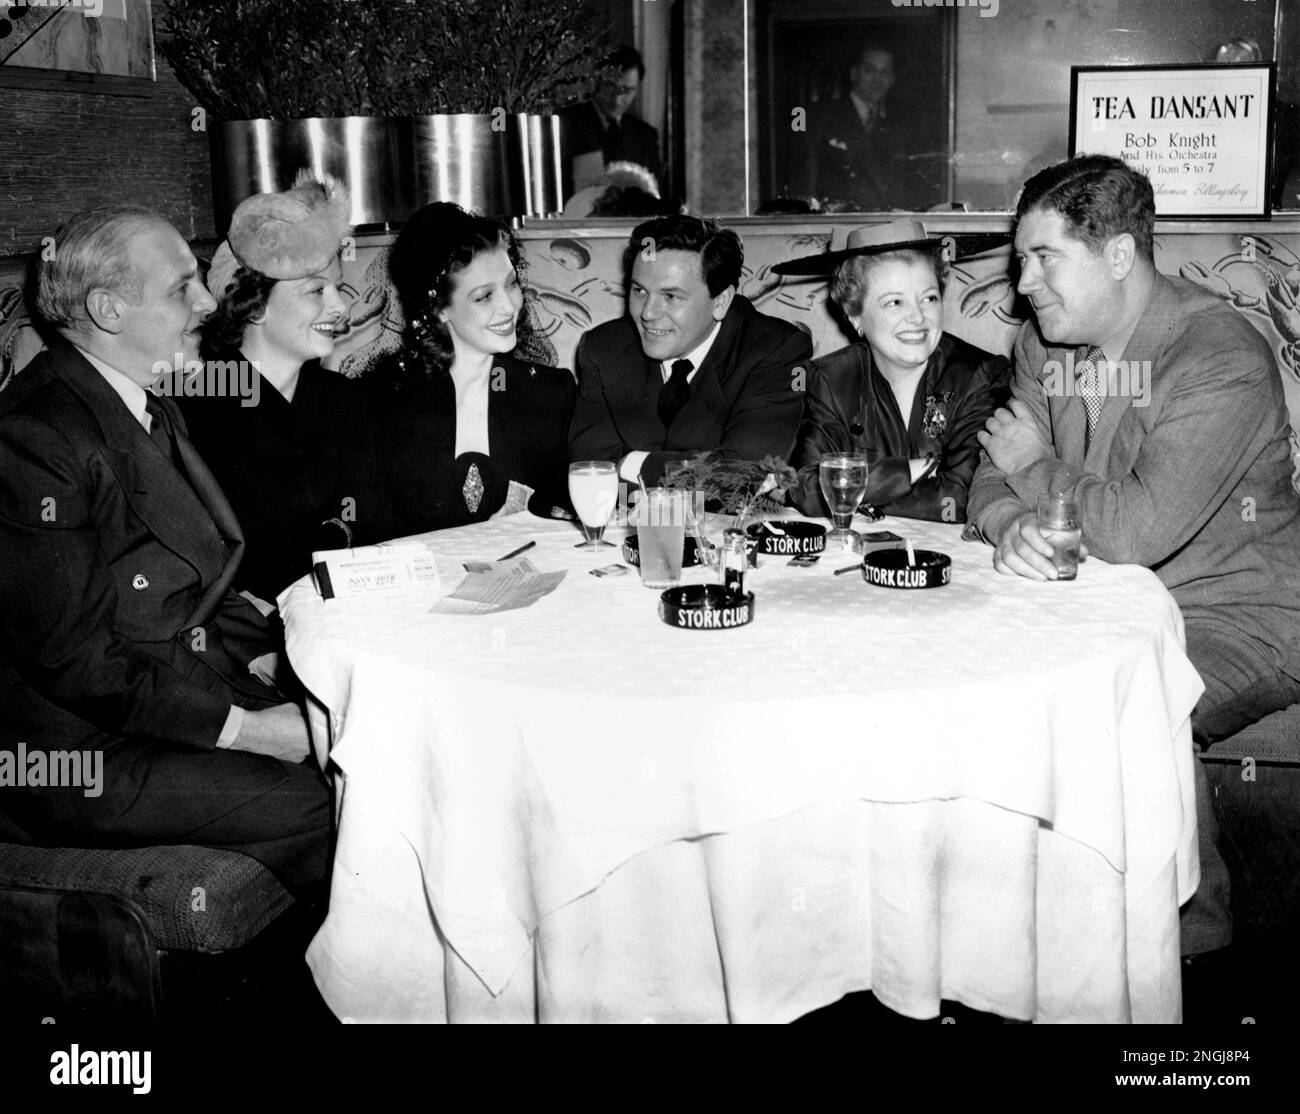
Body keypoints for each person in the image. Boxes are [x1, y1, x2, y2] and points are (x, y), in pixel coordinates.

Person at [967, 154, 1300, 955]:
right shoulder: (1046, 343)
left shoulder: (1217, 355)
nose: (1024, 284)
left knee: (1140, 696)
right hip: (1097, 599)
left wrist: (1029, 471)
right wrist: (1011, 519)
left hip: (1234, 607)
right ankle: (1019, 938)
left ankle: (1189, 938)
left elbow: (1135, 529)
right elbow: (987, 469)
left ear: (1118, 255)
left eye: (1045, 258)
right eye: (1020, 259)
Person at [0, 206, 331, 895]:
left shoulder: (142, 394)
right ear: (108, 309)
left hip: (165, 696)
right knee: (335, 802)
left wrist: (288, 658)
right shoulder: (35, 439)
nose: (209, 302)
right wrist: (249, 730)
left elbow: (197, 589)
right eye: (183, 287)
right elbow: (77, 661)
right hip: (74, 753)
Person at [180, 173, 391, 604]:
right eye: (316, 291)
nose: (340, 307)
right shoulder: (200, 407)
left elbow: (376, 527)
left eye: (337, 287)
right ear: (254, 306)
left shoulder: (342, 398)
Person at [777, 220, 1010, 521]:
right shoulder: (831, 380)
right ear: (854, 315)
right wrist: (910, 471)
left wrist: (850, 492)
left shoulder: (978, 377)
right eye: (895, 302)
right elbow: (804, 489)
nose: (918, 317)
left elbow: (958, 499)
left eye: (929, 298)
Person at [367, 202, 576, 536]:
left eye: (511, 284)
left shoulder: (553, 394)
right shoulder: (383, 402)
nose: (509, 306)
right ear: (439, 310)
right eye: (484, 297)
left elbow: (571, 513)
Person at [569, 213, 812, 489]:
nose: (647, 313)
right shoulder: (602, 349)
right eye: (639, 291)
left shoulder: (779, 351)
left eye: (671, 297)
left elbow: (745, 474)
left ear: (720, 302)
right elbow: (589, 472)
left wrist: (633, 464)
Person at [810, 47, 938, 211]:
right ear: (854, 73)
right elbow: (806, 183)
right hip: (833, 226)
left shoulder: (895, 127)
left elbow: (899, 189)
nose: (877, 79)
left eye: (885, 72)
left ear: (892, 79)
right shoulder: (820, 116)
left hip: (880, 227)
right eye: (869, 70)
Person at [559, 44, 663, 196]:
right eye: (610, 87)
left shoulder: (645, 136)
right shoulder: (566, 124)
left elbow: (655, 196)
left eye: (627, 91)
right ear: (597, 81)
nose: (617, 99)